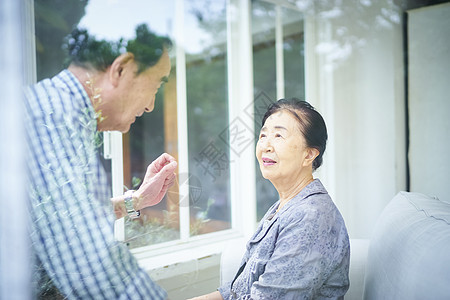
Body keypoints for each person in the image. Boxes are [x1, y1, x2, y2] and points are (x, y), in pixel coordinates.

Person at [25, 24, 177, 299]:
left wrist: (137, 200)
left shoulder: (64, 116)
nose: (150, 105)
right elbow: (96, 269)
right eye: (156, 84)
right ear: (121, 70)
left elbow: (66, 217)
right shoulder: (51, 122)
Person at [192, 98, 350, 299]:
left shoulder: (311, 217)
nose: (265, 145)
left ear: (309, 155)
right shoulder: (284, 206)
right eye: (263, 135)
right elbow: (236, 291)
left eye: (278, 135)